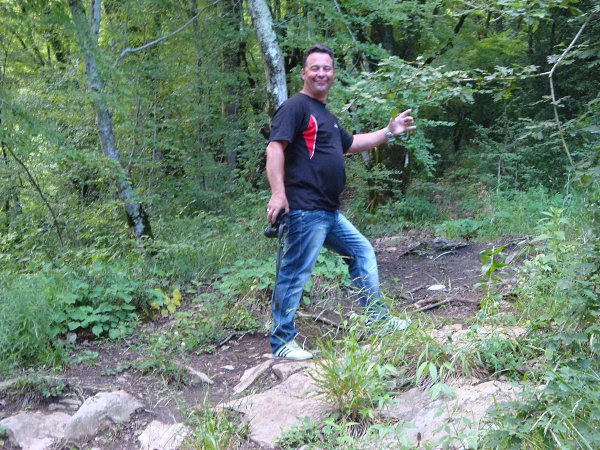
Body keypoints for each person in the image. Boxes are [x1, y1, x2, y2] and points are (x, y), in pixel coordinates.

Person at [265, 44, 416, 360]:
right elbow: (275, 148)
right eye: (315, 68)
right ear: (303, 73)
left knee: (361, 251)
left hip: (328, 211)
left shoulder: (326, 116)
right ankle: (281, 343)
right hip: (305, 208)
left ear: (333, 73)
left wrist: (389, 132)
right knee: (295, 272)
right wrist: (278, 193)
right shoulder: (296, 107)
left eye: (327, 68)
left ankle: (377, 321)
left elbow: (351, 144)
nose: (321, 73)